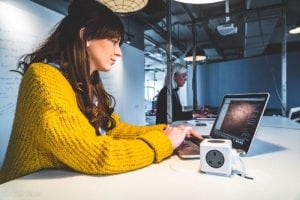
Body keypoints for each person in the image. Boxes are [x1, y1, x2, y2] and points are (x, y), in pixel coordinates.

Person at [0, 0, 202, 184]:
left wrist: (168, 131)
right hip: (24, 190)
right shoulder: (44, 78)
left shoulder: (89, 83)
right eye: (114, 42)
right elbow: (93, 154)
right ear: (85, 36)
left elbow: (115, 129)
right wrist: (162, 142)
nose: (119, 52)